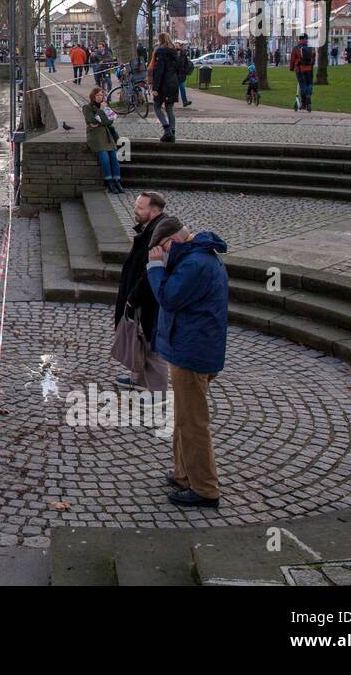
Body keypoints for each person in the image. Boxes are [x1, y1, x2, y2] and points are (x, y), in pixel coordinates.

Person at [145, 222, 229, 508]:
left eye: (163, 249)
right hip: (192, 348)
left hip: (192, 353)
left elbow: (168, 298)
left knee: (193, 423)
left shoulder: (195, 263)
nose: (162, 254)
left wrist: (155, 268)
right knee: (183, 417)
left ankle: (205, 489)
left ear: (172, 241)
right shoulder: (196, 257)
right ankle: (184, 475)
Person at [113, 195, 172, 393]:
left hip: (149, 299)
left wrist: (134, 297)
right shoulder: (150, 228)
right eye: (136, 205)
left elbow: (151, 272)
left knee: (151, 344)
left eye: (140, 207)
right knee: (140, 338)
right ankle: (138, 379)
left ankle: (157, 392)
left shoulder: (159, 234)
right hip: (140, 294)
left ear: (154, 211)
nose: (135, 210)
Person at [82, 86, 124, 194]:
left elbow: (109, 121)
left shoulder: (105, 107)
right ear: (93, 96)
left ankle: (117, 180)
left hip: (107, 136)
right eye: (98, 95)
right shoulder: (87, 107)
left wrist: (99, 119)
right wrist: (100, 112)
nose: (100, 97)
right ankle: (109, 182)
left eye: (101, 95)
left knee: (114, 158)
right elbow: (90, 120)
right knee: (105, 158)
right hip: (96, 137)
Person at [148, 31, 179, 142]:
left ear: (160, 40)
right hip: (173, 83)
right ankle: (172, 132)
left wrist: (155, 88)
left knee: (157, 107)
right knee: (169, 109)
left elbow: (159, 71)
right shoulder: (174, 52)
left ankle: (167, 130)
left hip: (163, 84)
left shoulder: (160, 52)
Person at [289, 33, 315, 111]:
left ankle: (305, 100)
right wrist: (311, 65)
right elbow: (313, 57)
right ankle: (307, 99)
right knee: (309, 84)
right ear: (306, 39)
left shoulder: (296, 48)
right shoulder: (310, 47)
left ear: (300, 39)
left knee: (302, 85)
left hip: (300, 69)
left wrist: (291, 68)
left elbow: (292, 59)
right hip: (309, 69)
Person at [175, 41, 193, 107]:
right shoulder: (173, 53)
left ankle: (185, 101)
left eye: (177, 45)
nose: (177, 47)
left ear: (180, 46)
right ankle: (170, 102)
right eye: (175, 45)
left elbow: (186, 63)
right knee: (174, 89)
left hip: (181, 74)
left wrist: (185, 70)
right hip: (174, 74)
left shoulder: (183, 53)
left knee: (182, 88)